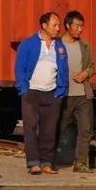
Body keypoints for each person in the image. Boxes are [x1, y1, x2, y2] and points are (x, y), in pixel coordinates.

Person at [15, 12, 69, 176]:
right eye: (55, 25)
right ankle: (33, 163)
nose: (58, 29)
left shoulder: (59, 46)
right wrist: (23, 89)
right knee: (30, 128)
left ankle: (46, 162)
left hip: (52, 92)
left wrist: (61, 90)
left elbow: (64, 69)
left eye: (59, 25)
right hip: (32, 92)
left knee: (49, 129)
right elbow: (20, 68)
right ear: (44, 26)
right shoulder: (28, 44)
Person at [58, 11, 95, 173]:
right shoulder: (57, 45)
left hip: (83, 94)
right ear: (68, 25)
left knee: (85, 130)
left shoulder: (85, 45)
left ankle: (80, 163)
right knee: (58, 127)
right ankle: (47, 160)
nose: (80, 29)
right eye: (77, 26)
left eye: (82, 26)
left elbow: (92, 66)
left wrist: (86, 73)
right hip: (63, 95)